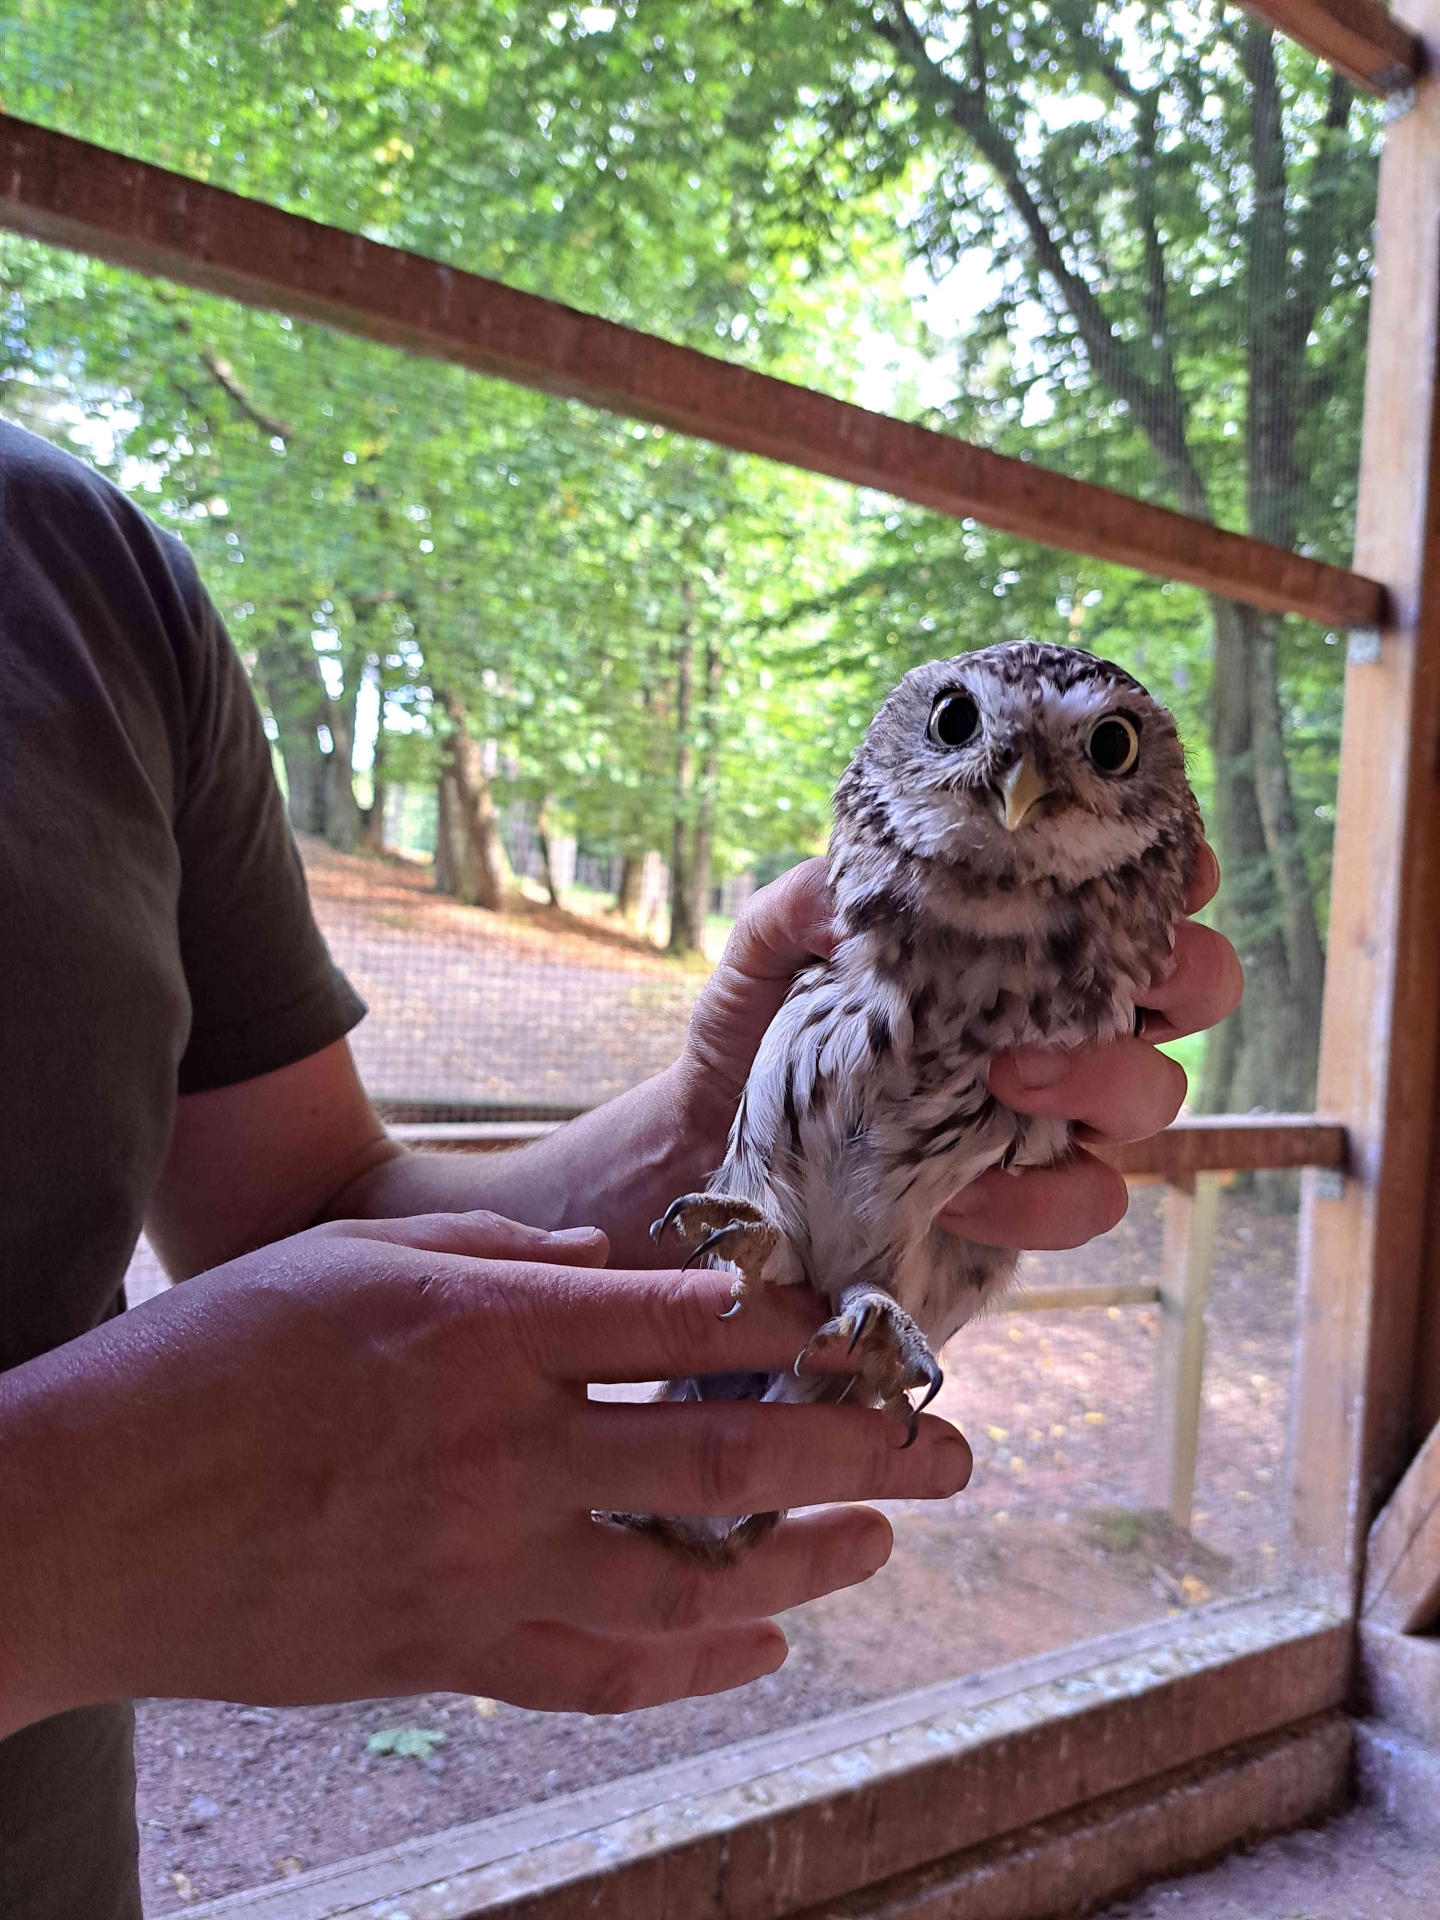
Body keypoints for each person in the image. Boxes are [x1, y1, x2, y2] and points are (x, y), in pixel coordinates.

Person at [0, 419, 1242, 1916]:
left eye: (1101, 753)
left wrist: (719, 1146)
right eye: (970, 735)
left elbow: (300, 1222)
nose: (1025, 789)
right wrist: (62, 1544)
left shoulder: (85, 575)